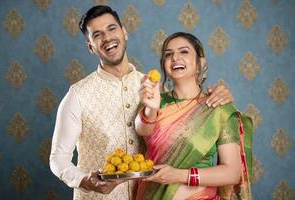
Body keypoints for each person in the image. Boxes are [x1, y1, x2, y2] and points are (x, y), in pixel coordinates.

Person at [49, 6, 235, 200]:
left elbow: (185, 125)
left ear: (124, 32)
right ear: (90, 46)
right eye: (97, 35)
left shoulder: (153, 89)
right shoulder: (78, 95)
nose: (107, 38)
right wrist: (86, 181)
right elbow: (58, 159)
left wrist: (218, 98)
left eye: (112, 28)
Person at [135, 32, 253, 200]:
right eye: (168, 54)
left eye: (184, 52)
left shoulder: (218, 109)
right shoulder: (155, 102)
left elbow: (232, 173)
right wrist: (151, 107)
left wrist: (179, 175)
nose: (175, 57)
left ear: (200, 64)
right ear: (164, 65)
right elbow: (142, 130)